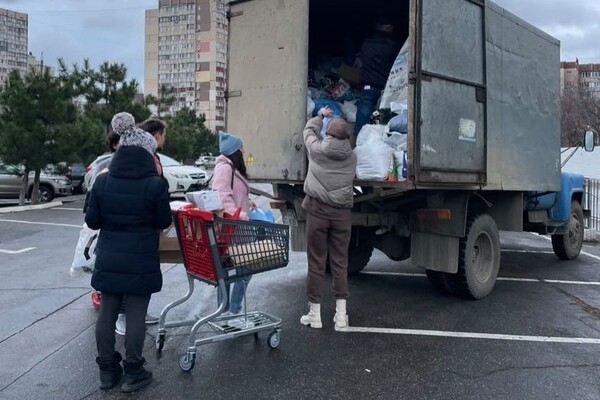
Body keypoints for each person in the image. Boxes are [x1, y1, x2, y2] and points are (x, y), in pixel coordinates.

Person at [85, 112, 172, 393]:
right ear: (147, 153)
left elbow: (92, 221)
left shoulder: (102, 181)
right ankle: (134, 371)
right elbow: (163, 221)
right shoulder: (155, 184)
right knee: (136, 314)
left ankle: (107, 370)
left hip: (109, 257)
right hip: (141, 258)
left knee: (107, 313)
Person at [300, 109, 357, 331]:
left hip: (317, 213)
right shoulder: (352, 157)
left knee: (316, 263)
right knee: (340, 263)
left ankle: (315, 315)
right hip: (342, 216)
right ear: (347, 137)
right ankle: (341, 316)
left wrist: (320, 116)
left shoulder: (317, 151)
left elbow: (308, 131)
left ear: (328, 134)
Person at [112, 118, 168, 336]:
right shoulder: (137, 165)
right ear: (155, 136)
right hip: (131, 232)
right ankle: (124, 316)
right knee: (127, 275)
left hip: (140, 231)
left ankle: (136, 314)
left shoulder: (150, 160)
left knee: (136, 276)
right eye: (163, 135)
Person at [211, 131, 254, 322]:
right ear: (235, 151)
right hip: (234, 227)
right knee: (246, 267)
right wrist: (238, 215)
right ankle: (231, 310)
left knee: (230, 270)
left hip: (237, 227)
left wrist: (247, 201)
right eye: (241, 147)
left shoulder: (231, 168)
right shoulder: (225, 168)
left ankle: (226, 310)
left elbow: (233, 193)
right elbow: (221, 196)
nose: (244, 150)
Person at [354, 17, 402, 138]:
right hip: (385, 88)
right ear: (387, 28)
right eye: (391, 27)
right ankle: (377, 140)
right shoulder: (394, 46)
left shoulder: (366, 44)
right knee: (382, 119)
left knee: (363, 116)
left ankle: (358, 141)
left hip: (367, 87)